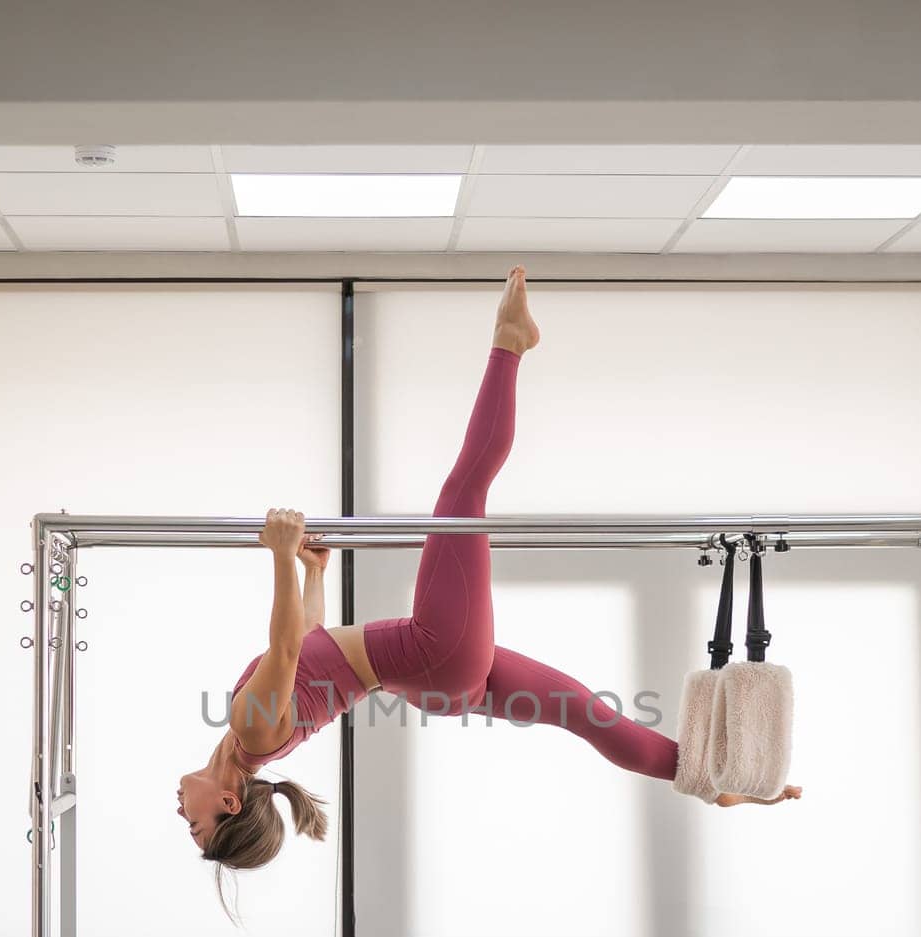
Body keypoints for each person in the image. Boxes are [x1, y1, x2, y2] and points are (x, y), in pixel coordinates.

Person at [177, 267, 801, 883]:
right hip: (430, 654)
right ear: (230, 804)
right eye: (197, 825)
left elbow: (308, 646)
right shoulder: (250, 729)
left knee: (587, 715)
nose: (183, 814)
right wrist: (279, 555)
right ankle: (510, 342)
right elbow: (287, 646)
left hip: (432, 678)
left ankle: (712, 783)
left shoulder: (255, 738)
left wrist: (310, 572)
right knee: (462, 493)